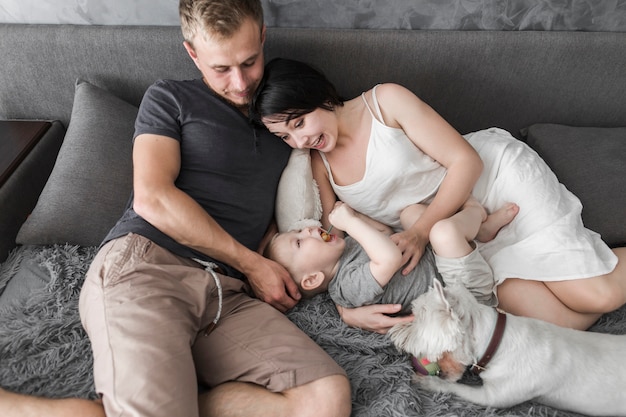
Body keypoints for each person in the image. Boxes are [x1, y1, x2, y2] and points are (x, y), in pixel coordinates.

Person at [0, 3, 351, 417]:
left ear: (262, 38)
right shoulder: (170, 98)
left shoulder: (285, 118)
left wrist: (346, 297)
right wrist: (252, 264)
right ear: (192, 53)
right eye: (222, 69)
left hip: (227, 296)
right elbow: (153, 198)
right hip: (146, 270)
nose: (240, 83)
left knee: (325, 399)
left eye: (249, 62)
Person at [251, 57, 626, 332]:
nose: (300, 140)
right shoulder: (320, 163)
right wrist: (345, 309)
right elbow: (335, 244)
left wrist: (419, 232)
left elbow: (467, 162)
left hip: (489, 186)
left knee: (597, 296)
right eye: (285, 136)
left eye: (300, 123)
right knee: (559, 323)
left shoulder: (385, 102)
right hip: (454, 245)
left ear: (317, 96)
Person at [266, 198, 518, 312]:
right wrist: (351, 223)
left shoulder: (347, 249)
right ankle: (479, 224)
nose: (309, 228)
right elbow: (389, 258)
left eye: (300, 230)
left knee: (410, 215)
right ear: (312, 280)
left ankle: (472, 231)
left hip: (436, 259)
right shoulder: (346, 288)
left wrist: (355, 218)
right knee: (443, 232)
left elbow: (385, 233)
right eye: (299, 242)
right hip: (463, 294)